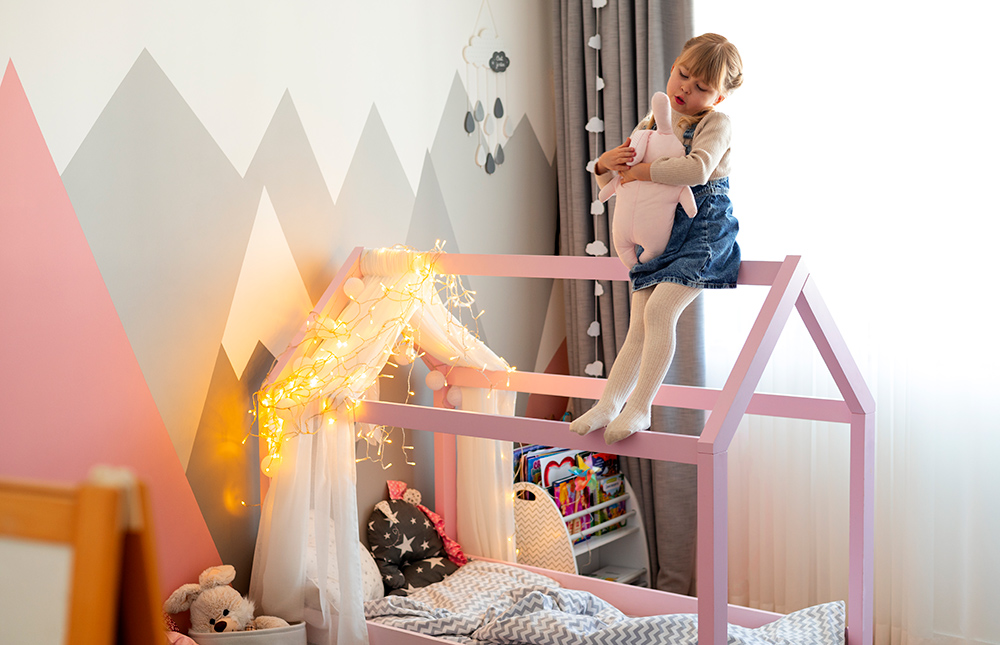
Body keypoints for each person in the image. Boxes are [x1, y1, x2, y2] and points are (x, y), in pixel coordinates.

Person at [571, 33, 743, 444]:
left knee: (660, 312)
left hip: (702, 231)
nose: (686, 88)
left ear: (718, 97)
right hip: (663, 230)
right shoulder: (650, 122)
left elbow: (697, 170)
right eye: (683, 75)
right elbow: (623, 177)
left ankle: (641, 406)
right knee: (638, 323)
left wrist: (642, 172)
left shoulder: (716, 123)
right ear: (672, 67)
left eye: (702, 87)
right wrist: (604, 165)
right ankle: (610, 402)